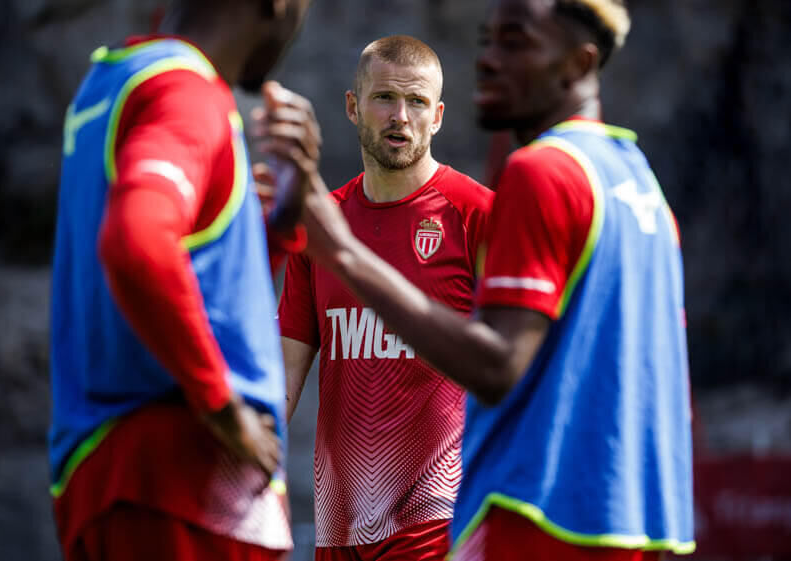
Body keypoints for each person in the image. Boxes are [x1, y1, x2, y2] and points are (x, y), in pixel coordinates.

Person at [290, 1, 695, 560]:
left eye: (515, 42)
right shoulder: (639, 182)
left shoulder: (541, 173)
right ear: (354, 106)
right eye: (489, 40)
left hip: (541, 520)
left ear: (577, 64)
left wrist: (345, 256)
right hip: (636, 525)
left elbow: (498, 365)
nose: (488, 60)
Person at [47, 0, 319, 559]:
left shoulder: (111, 82)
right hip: (181, 486)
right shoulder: (187, 92)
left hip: (111, 479)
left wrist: (277, 224)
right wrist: (224, 407)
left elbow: (186, 283)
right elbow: (138, 246)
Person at [278, 35, 494, 560]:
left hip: (440, 521)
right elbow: (283, 378)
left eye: (417, 101)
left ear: (437, 117)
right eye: (384, 98)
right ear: (353, 107)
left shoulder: (478, 215)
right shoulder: (322, 226)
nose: (401, 116)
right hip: (339, 527)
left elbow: (517, 365)